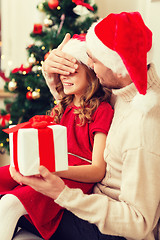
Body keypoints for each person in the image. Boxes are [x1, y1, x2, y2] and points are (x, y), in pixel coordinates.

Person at [10, 11, 160, 240]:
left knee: (14, 208)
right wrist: (52, 74)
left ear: (116, 66)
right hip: (90, 200)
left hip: (115, 231)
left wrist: (62, 193)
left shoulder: (143, 125)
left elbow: (138, 222)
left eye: (94, 60)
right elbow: (81, 103)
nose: (88, 65)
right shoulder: (121, 90)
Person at [0, 35, 113, 240]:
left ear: (90, 71)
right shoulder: (65, 104)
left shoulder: (101, 110)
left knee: (11, 204)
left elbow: (97, 170)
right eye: (61, 72)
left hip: (70, 178)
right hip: (50, 167)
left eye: (71, 71)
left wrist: (54, 170)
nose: (63, 77)